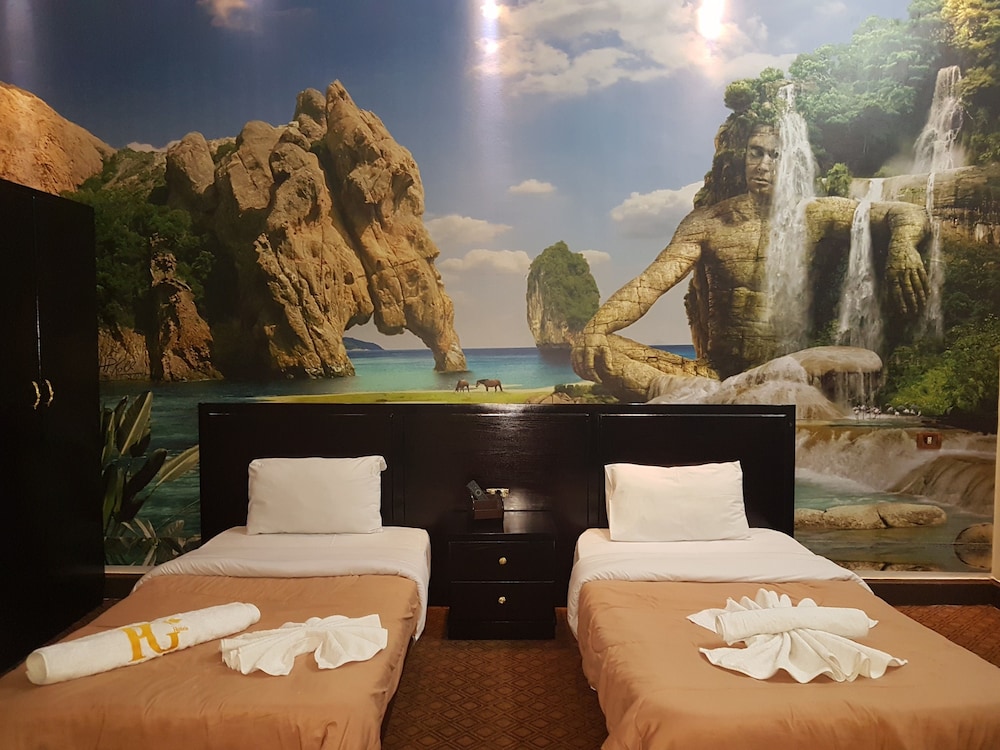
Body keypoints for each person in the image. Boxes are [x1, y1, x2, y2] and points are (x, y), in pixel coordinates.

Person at [571, 124, 930, 401]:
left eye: (775, 156)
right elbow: (647, 286)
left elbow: (907, 213)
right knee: (597, 349)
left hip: (787, 376)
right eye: (755, 153)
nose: (763, 165)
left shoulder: (816, 214)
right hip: (712, 376)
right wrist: (594, 330)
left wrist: (903, 245)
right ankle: (715, 400)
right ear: (744, 158)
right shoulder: (707, 222)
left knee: (846, 364)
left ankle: (711, 404)